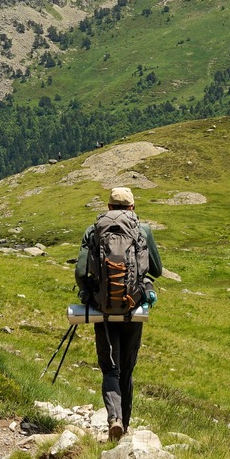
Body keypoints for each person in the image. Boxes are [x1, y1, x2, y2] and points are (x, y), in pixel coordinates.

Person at [75, 187, 163, 441]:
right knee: (127, 369)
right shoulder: (141, 230)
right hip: (132, 307)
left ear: (109, 207)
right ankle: (125, 427)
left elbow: (81, 272)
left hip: (102, 308)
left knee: (110, 369)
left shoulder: (94, 230)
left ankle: (114, 418)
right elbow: (156, 269)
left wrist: (89, 293)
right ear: (132, 207)